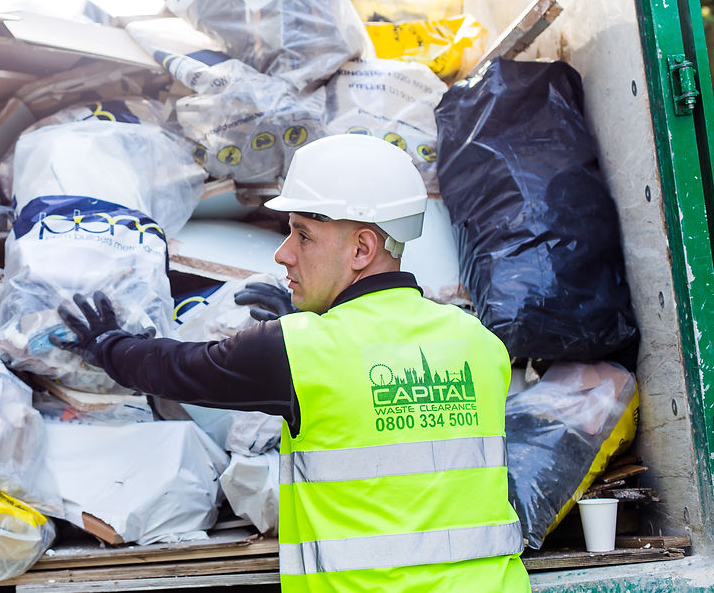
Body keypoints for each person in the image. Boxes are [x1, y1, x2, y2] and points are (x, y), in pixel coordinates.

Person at [54, 133, 531, 592]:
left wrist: (107, 343)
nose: (283, 254)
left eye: (303, 236)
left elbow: (178, 369)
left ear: (362, 249)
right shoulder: (479, 343)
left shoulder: (302, 349)